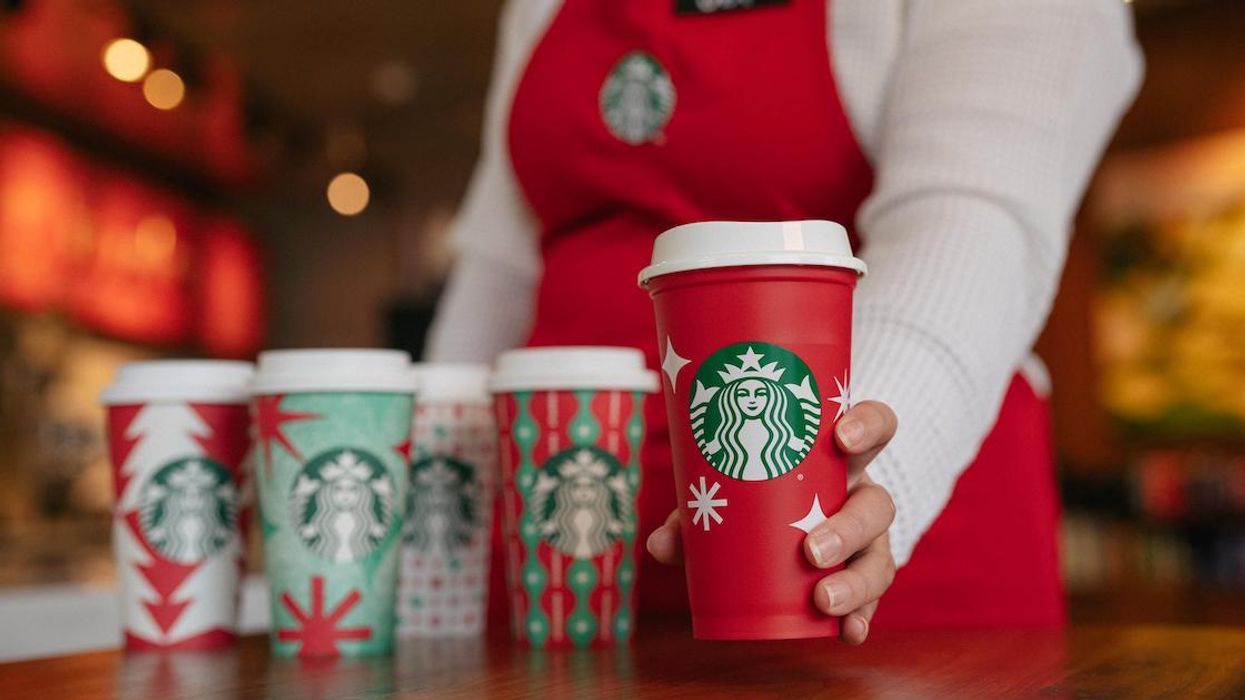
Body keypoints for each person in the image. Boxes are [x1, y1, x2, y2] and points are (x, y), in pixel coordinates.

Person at [427, 0, 1143, 643]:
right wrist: (429, 512)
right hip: (562, 582)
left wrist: (843, 479)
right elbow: (499, 275)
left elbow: (970, 229)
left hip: (862, 571)